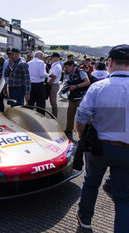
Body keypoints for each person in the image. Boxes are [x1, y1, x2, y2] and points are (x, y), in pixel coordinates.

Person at [76, 44, 129, 232]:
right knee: (124, 198)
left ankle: (85, 221)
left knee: (91, 183)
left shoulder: (98, 87)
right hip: (126, 151)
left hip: (99, 146)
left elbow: (81, 117)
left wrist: (82, 138)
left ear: (111, 62)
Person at [63, 60, 90, 136]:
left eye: (66, 67)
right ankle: (69, 130)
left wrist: (76, 86)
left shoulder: (80, 71)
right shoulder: (71, 74)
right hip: (73, 97)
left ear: (72, 66)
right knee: (70, 115)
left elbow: (87, 82)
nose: (65, 69)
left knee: (82, 117)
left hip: (81, 97)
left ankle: (84, 134)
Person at [48, 52, 63, 117]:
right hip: (53, 84)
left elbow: (54, 77)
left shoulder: (57, 66)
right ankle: (53, 114)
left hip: (53, 84)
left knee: (53, 101)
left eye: (52, 57)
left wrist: (48, 84)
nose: (51, 58)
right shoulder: (54, 65)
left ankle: (54, 116)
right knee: (52, 101)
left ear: (56, 58)